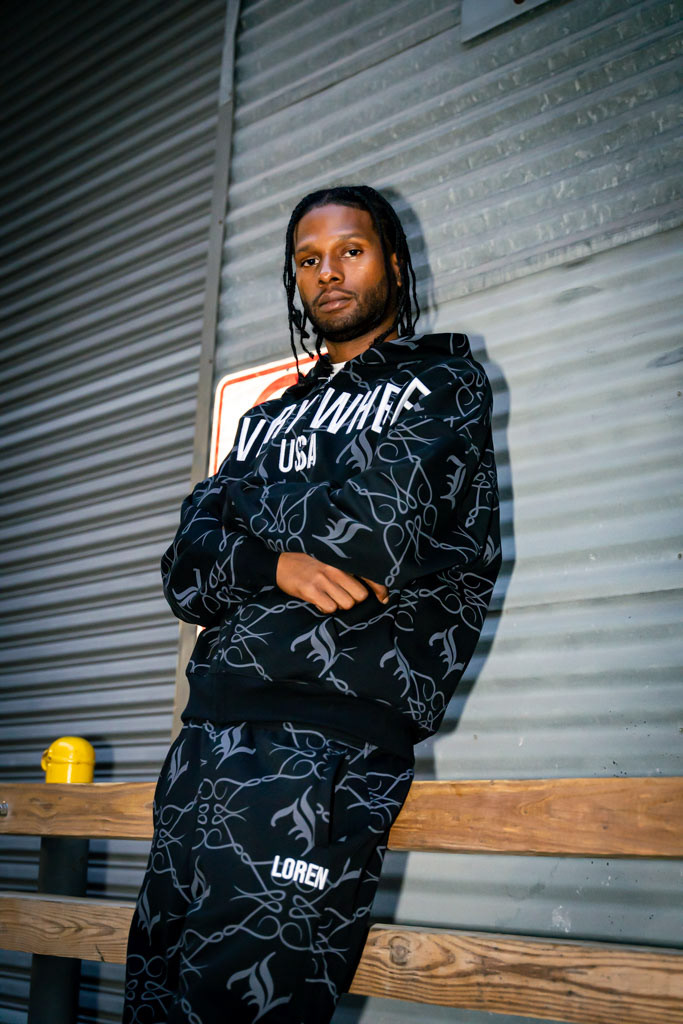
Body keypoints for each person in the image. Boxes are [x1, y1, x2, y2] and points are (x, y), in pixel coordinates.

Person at [124, 185, 501, 1023]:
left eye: (349, 251)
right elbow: (184, 570)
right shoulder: (266, 419)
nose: (327, 272)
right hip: (206, 737)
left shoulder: (441, 383)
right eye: (307, 259)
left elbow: (377, 535)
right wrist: (274, 564)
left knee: (244, 1008)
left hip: (327, 744)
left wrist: (245, 535)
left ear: (392, 264)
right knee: (154, 989)